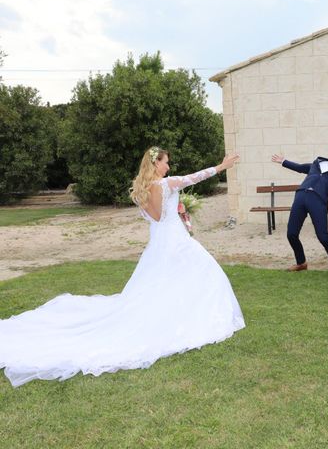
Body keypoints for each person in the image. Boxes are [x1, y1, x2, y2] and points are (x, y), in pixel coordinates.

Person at [0, 147, 245, 387]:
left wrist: (176, 208)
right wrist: (222, 167)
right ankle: (187, 316)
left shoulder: (142, 189)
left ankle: (179, 311)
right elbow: (194, 179)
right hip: (174, 240)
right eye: (165, 162)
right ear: (155, 164)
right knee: (203, 271)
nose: (168, 167)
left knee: (166, 279)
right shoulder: (165, 184)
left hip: (160, 241)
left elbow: (154, 216)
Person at [271, 141, 328, 273]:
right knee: (291, 234)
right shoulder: (318, 163)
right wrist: (283, 161)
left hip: (318, 201)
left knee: (323, 236)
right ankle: (301, 263)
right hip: (301, 196)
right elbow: (300, 168)